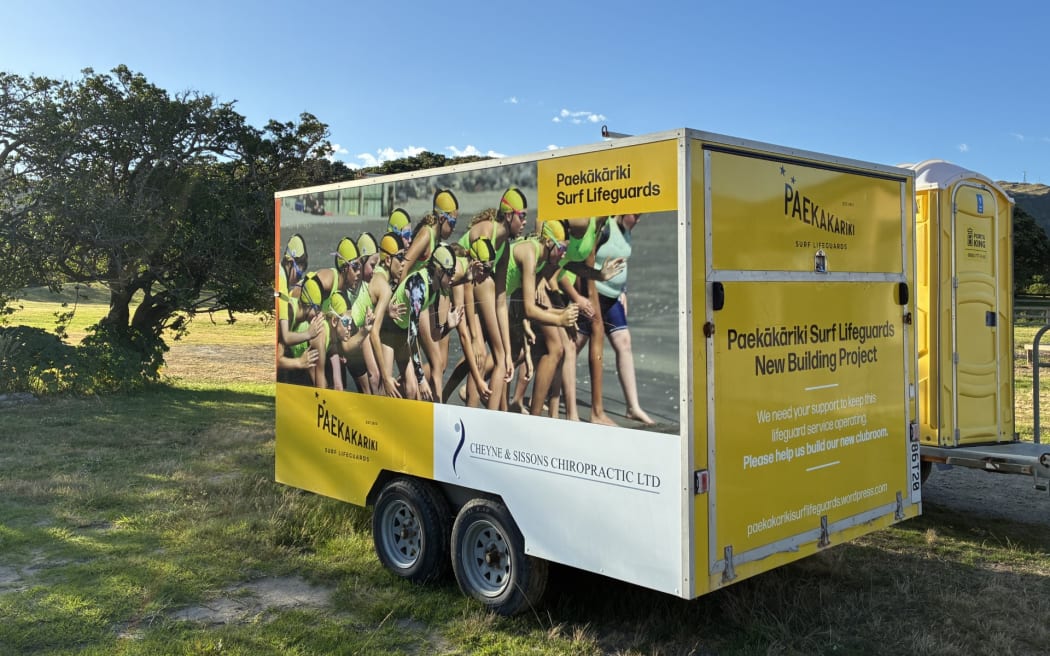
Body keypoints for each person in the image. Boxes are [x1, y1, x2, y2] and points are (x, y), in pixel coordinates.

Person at [576, 213, 655, 425]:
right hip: (594, 294)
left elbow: (623, 262)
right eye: (636, 216)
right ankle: (550, 392)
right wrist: (583, 297)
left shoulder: (627, 229)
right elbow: (585, 257)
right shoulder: (605, 225)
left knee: (624, 343)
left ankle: (633, 407)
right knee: (574, 345)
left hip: (613, 298)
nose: (638, 220)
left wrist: (624, 290)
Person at [456, 189, 529, 410]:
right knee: (487, 355)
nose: (525, 222)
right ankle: (487, 417)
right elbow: (470, 283)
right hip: (457, 286)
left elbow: (500, 301)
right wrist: (476, 336)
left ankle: (478, 414)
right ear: (508, 215)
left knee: (496, 358)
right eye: (522, 216)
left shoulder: (504, 247)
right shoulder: (486, 230)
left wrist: (508, 351)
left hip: (473, 289)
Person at [557, 217, 626, 425]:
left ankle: (588, 411)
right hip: (556, 281)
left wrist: (600, 277)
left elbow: (578, 260)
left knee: (559, 347)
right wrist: (580, 295)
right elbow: (568, 262)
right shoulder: (585, 219)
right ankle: (590, 412)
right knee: (533, 350)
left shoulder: (601, 219)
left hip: (568, 277)